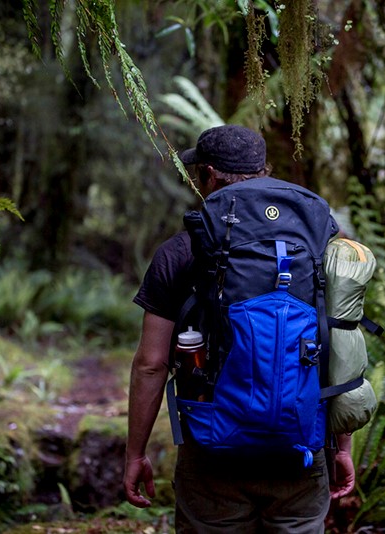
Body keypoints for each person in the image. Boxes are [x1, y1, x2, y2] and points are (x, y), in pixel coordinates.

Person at [123, 124, 355, 533]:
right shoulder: (317, 245)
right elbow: (341, 340)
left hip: (213, 447)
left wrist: (135, 453)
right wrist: (342, 445)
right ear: (263, 170)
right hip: (300, 445)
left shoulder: (181, 251)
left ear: (209, 174)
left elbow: (151, 364)